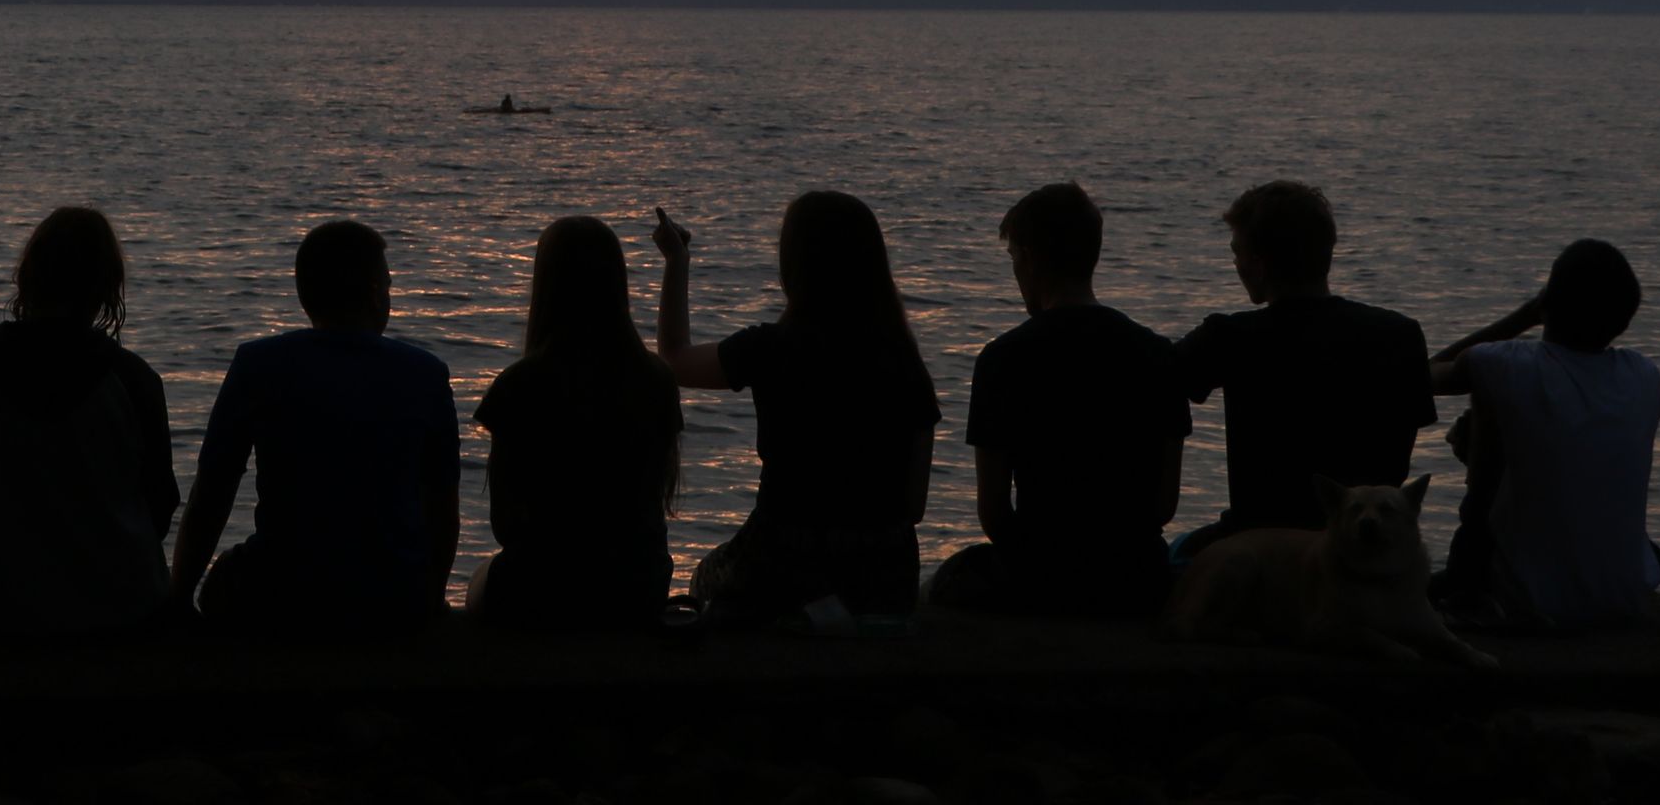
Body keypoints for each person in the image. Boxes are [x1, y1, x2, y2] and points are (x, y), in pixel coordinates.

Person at [652, 192, 940, 625]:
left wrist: (677, 261)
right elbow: (913, 507)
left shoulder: (770, 348)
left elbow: (674, 360)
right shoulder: (907, 364)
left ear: (795, 266)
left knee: (704, 580)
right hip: (885, 575)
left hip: (782, 562)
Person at [169, 220, 459, 635]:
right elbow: (443, 509)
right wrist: (431, 597)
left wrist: (179, 597)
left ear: (305, 295)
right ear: (376, 294)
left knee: (222, 581)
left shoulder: (258, 364)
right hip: (394, 597)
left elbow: (212, 492)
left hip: (287, 593)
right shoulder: (426, 374)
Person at [929, 183, 1184, 618]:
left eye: (1013, 260)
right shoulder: (1157, 353)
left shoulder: (1003, 359)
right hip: (1136, 575)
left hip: (1039, 577)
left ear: (1028, 257)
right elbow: (1163, 505)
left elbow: (994, 513)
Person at [0, 206, 179, 636]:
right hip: (116, 605)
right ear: (106, 288)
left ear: (26, 278)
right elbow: (159, 506)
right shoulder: (134, 380)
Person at [1171, 180, 1435, 559]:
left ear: (1259, 263)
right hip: (1369, 548)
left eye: (1237, 252)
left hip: (1259, 546)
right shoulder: (1400, 335)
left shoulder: (1230, 337)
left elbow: (1151, 374)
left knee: (1178, 555)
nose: (1235, 264)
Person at [1426, 239, 1660, 631]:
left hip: (1528, 602)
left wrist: (1524, 315)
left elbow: (1424, 377)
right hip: (1625, 597)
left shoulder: (1504, 365)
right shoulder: (1643, 375)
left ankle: (1465, 582)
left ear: (1549, 303)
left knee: (1483, 419)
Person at [470, 216, 683, 631]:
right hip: (637, 590)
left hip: (542, 592)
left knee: (479, 581)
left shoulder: (520, 384)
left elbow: (505, 526)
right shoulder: (656, 380)